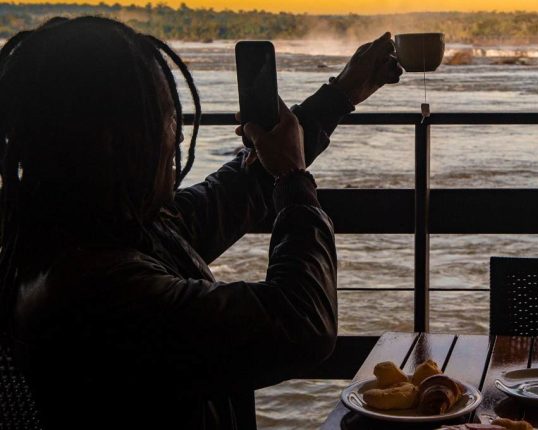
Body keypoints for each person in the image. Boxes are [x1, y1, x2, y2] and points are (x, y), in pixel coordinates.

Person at [0, 16, 401, 429]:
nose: (174, 136)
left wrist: (340, 95)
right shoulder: (100, 295)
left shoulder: (89, 233)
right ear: (112, 139)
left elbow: (227, 197)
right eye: (163, 117)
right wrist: (294, 183)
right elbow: (301, 323)